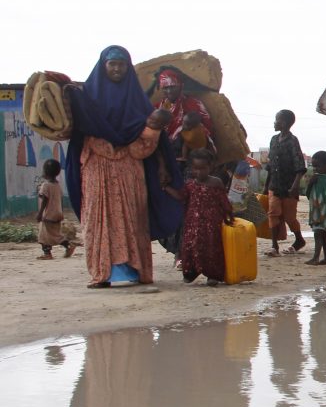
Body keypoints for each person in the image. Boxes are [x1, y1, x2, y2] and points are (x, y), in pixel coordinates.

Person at [65, 45, 183, 288]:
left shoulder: (137, 100)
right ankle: (101, 273)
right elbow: (74, 127)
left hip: (130, 165)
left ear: (128, 68)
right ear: (103, 66)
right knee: (98, 217)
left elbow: (155, 135)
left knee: (132, 217)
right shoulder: (86, 95)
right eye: (112, 64)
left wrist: (161, 166)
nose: (117, 69)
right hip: (97, 165)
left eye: (122, 64)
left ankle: (135, 270)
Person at [163, 148, 234, 285]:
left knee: (212, 249)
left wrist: (229, 216)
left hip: (212, 225)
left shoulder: (216, 183)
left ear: (210, 167)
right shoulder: (189, 184)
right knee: (191, 248)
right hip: (192, 225)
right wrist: (166, 188)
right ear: (191, 168)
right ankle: (191, 272)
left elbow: (224, 202)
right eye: (196, 169)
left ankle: (212, 275)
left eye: (203, 168)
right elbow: (180, 197)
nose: (199, 172)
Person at [265, 110, 307, 256]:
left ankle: (299, 240)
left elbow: (300, 166)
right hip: (274, 184)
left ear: (283, 123)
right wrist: (266, 186)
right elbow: (270, 165)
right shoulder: (273, 140)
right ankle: (274, 246)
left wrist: (295, 186)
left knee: (289, 217)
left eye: (276, 120)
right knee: (273, 213)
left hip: (289, 186)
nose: (274, 122)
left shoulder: (292, 141)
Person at [155, 66, 212, 139]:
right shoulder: (157, 108)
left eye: (172, 87)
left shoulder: (194, 104)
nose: (169, 91)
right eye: (165, 88)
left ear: (181, 86)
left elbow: (207, 131)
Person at [304, 151, 326, 266]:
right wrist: (310, 183)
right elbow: (308, 194)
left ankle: (315, 258)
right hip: (315, 211)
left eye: (317, 166)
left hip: (324, 212)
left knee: (318, 233)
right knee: (323, 235)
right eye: (313, 166)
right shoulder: (315, 178)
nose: (314, 169)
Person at [36, 159, 75, 260]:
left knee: (43, 235)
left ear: (45, 172)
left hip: (47, 215)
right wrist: (60, 212)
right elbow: (59, 199)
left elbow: (44, 200)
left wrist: (40, 213)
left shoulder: (45, 185)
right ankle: (68, 245)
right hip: (57, 214)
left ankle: (47, 253)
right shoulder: (57, 185)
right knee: (55, 234)